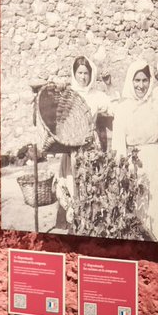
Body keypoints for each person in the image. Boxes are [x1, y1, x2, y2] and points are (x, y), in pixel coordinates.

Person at [111, 60, 158, 244]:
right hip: (136, 170)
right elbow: (118, 145)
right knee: (141, 215)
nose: (141, 85)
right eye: (137, 80)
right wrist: (121, 176)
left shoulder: (155, 108)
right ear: (130, 81)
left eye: (145, 80)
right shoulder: (122, 110)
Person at [51, 55, 113, 232]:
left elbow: (114, 106)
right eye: (80, 73)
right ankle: (74, 221)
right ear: (74, 73)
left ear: (91, 74)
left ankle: (92, 220)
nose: (83, 77)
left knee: (92, 180)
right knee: (72, 181)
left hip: (90, 145)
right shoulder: (68, 94)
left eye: (86, 73)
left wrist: (109, 85)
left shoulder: (97, 96)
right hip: (72, 145)